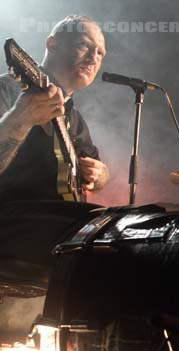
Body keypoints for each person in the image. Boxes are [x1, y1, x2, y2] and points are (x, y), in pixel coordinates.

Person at [0, 15, 109, 297]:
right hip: (9, 218)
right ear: (52, 44)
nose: (94, 57)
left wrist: (99, 175)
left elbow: (97, 176)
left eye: (100, 53)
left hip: (51, 222)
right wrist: (20, 120)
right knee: (102, 231)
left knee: (111, 224)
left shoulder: (74, 119)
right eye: (85, 45)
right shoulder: (8, 90)